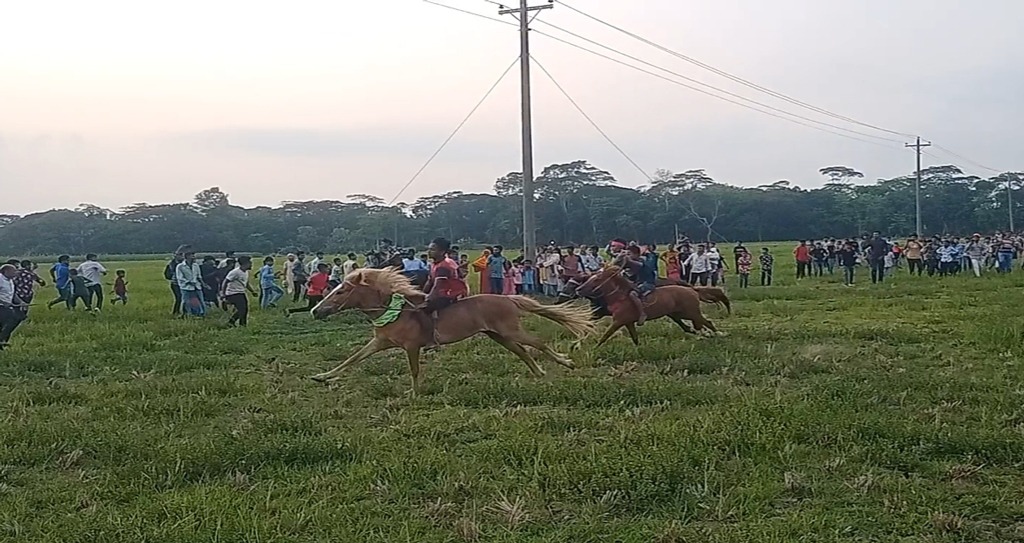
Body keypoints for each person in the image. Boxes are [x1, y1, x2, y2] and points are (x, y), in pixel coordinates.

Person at [420, 237, 469, 349]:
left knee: (425, 309)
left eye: (433, 249)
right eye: (429, 249)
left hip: (450, 294)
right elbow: (430, 281)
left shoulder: (444, 266)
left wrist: (428, 299)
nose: (429, 252)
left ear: (442, 252)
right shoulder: (434, 264)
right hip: (444, 292)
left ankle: (432, 339)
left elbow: (438, 286)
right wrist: (420, 294)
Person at [619, 245, 654, 325]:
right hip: (638, 283)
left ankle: (642, 314)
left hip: (647, 283)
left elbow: (634, 264)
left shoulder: (641, 261)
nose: (627, 256)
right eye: (627, 254)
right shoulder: (631, 264)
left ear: (637, 254)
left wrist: (625, 259)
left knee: (633, 294)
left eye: (629, 254)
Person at [0, 264, 28, 349]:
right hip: (1, 306)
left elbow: (13, 294)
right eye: (13, 271)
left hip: (6, 306)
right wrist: (3, 302)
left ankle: (2, 342)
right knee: (14, 319)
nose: (16, 273)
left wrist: (21, 302)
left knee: (14, 320)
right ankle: (1, 339)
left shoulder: (10, 280)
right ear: (6, 271)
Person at [222, 257, 257, 326]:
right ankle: (242, 324)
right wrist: (223, 294)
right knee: (243, 309)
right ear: (245, 264)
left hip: (241, 292)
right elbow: (225, 282)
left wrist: (252, 291)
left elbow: (246, 283)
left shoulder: (245, 272)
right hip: (233, 293)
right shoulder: (235, 272)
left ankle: (232, 321)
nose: (251, 265)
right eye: (250, 263)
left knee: (243, 309)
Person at [175, 251, 206, 316]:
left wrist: (203, 284)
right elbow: (180, 277)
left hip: (196, 286)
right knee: (186, 301)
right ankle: (185, 313)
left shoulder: (196, 265)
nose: (193, 257)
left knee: (200, 300)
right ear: (187, 256)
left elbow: (199, 276)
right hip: (186, 287)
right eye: (191, 255)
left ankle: (201, 313)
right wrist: (189, 282)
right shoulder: (180, 266)